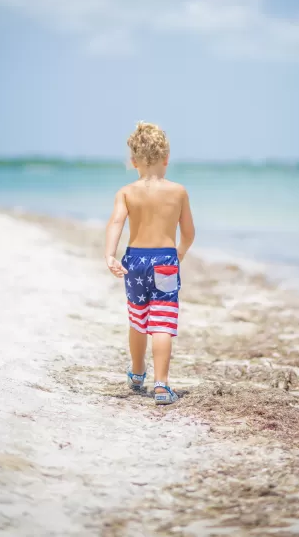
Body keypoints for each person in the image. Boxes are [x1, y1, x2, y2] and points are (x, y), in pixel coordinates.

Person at [104, 122, 195, 405]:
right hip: (165, 262)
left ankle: (137, 373)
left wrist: (110, 254)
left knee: (138, 320)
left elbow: (116, 222)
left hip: (135, 261)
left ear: (133, 161)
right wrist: (180, 251)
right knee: (162, 324)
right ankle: (161, 385)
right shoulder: (178, 191)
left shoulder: (126, 192)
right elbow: (189, 233)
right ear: (166, 158)